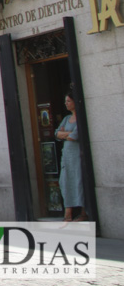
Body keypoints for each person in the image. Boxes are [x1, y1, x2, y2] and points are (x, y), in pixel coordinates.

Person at [56, 91, 86, 222]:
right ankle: (68, 213)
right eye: (65, 101)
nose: (66, 103)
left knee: (79, 182)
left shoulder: (80, 117)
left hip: (77, 155)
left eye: (68, 101)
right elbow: (57, 134)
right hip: (67, 156)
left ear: (75, 102)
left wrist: (65, 134)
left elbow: (75, 136)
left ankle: (83, 212)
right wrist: (66, 134)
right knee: (65, 181)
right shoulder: (66, 119)